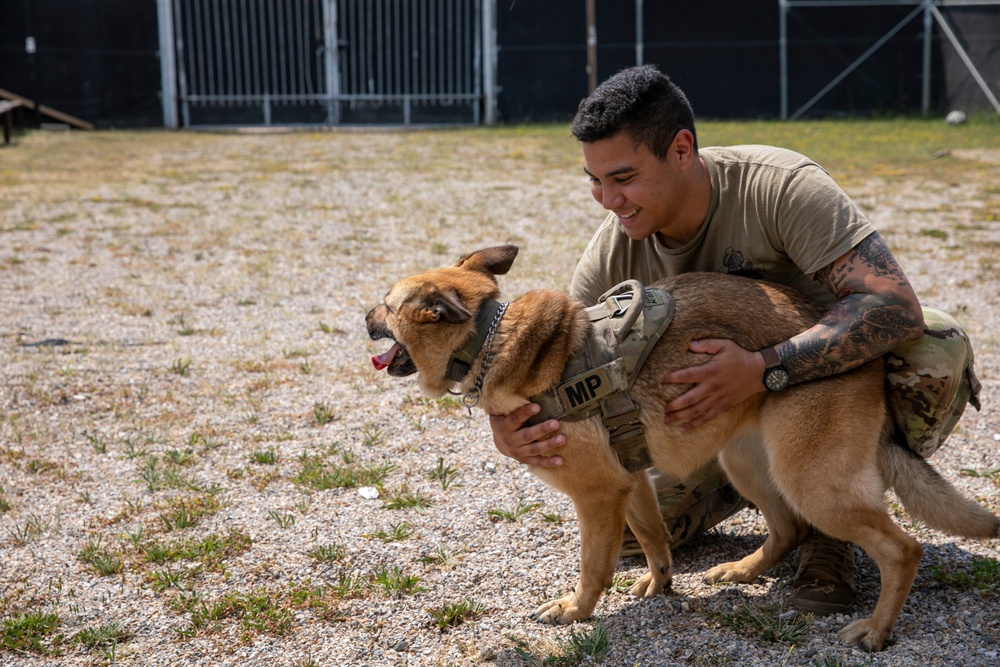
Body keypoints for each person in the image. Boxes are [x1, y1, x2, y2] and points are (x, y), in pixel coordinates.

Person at [489, 64, 981, 614]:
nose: (606, 200)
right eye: (594, 181)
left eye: (623, 178)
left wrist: (763, 368)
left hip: (817, 398)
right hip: (711, 422)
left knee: (935, 344)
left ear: (681, 149)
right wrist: (506, 430)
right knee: (624, 525)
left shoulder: (778, 185)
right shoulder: (614, 247)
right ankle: (785, 520)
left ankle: (831, 521)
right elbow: (561, 366)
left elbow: (892, 306)